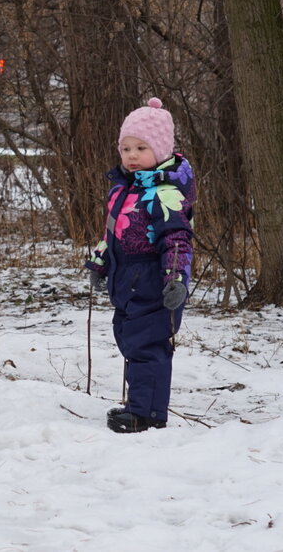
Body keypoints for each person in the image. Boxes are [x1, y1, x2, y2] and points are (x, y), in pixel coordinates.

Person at [85, 97, 195, 433]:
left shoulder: (164, 193)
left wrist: (176, 278)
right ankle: (140, 405)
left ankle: (146, 414)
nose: (131, 156)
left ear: (160, 150)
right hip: (126, 279)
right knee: (130, 341)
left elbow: (177, 238)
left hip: (153, 280)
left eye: (141, 148)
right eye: (126, 148)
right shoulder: (123, 190)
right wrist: (100, 262)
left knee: (147, 346)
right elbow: (113, 232)